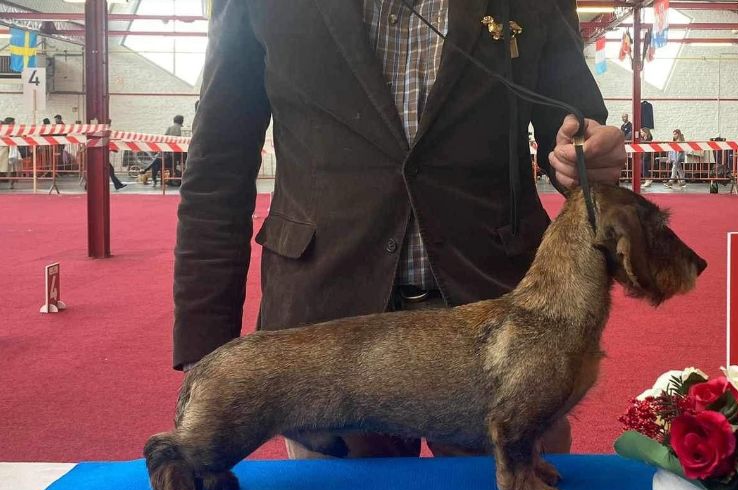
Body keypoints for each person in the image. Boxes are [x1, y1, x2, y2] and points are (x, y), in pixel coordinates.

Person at [174, 1, 624, 461]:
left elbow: (574, 127)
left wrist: (586, 155)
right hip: (324, 322)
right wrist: (205, 343)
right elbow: (217, 169)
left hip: (501, 323)